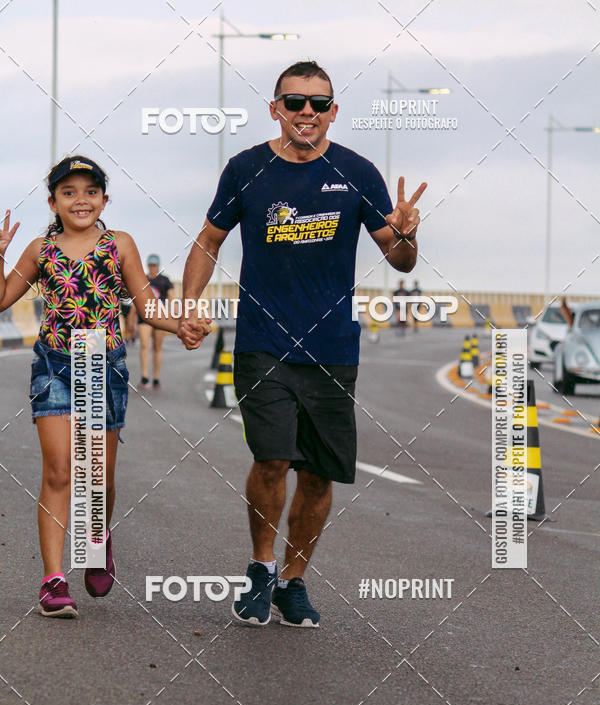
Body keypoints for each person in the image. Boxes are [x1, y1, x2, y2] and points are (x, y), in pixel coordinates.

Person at [180, 60, 425, 628]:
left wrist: (409, 233)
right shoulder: (246, 169)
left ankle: (294, 581)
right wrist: (190, 304)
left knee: (318, 473)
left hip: (334, 348)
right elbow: (208, 239)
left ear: (333, 111)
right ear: (276, 109)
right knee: (272, 458)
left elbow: (398, 256)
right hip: (263, 342)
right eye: (294, 103)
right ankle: (261, 568)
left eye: (318, 104)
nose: (306, 113)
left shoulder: (357, 172)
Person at [0, 156, 198, 618]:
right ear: (53, 202)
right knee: (59, 470)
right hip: (53, 366)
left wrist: (182, 326)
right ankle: (53, 580)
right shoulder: (39, 250)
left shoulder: (120, 244)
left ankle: (96, 541)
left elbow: (147, 308)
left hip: (103, 367)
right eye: (68, 192)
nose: (80, 200)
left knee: (98, 478)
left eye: (90, 191)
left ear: (104, 199)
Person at [138, 254, 174, 389]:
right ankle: (145, 376)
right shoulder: (143, 280)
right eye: (151, 265)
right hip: (144, 315)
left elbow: (171, 297)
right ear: (148, 265)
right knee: (144, 344)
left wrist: (173, 313)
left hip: (160, 316)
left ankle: (156, 377)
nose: (153, 267)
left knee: (157, 348)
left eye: (155, 265)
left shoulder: (165, 280)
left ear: (158, 266)